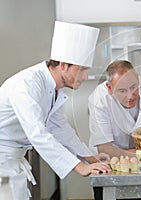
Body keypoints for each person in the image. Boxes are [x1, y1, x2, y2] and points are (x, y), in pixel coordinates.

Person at [0, 21, 111, 200]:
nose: (84, 77)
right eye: (82, 70)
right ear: (63, 65)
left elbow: (61, 128)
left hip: (12, 161)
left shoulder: (54, 89)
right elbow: (37, 133)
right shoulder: (27, 85)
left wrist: (90, 158)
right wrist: (79, 167)